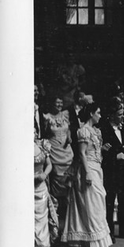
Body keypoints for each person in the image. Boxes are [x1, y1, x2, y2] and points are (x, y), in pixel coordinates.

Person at [60, 103, 113, 247]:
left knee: (98, 202)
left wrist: (102, 150)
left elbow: (92, 151)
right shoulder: (83, 130)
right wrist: (88, 172)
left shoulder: (95, 131)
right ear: (91, 113)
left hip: (97, 168)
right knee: (92, 204)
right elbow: (82, 154)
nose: (100, 116)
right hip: (87, 169)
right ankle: (91, 243)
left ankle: (100, 242)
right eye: (98, 112)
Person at [101, 99, 124, 242]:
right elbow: (102, 151)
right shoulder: (104, 129)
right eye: (119, 114)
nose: (122, 117)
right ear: (111, 115)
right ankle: (109, 231)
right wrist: (115, 155)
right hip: (111, 171)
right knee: (110, 202)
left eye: (123, 114)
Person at [43, 96, 74, 228]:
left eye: (61, 102)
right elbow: (45, 134)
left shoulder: (65, 114)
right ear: (52, 103)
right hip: (55, 154)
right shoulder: (47, 116)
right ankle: (57, 223)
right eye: (57, 102)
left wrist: (69, 137)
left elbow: (69, 130)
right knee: (57, 189)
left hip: (67, 153)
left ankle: (68, 223)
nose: (60, 104)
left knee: (68, 187)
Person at [34, 136, 58, 247]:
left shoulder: (41, 145)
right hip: (29, 188)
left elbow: (49, 165)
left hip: (41, 189)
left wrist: (44, 174)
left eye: (33, 131)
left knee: (42, 221)